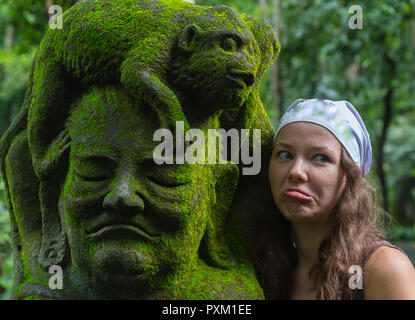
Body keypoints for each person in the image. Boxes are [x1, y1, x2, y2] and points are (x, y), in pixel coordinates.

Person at [255, 98, 415, 300]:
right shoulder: (264, 267)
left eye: (320, 158)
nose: (296, 172)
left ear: (350, 178)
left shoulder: (382, 270)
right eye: (285, 154)